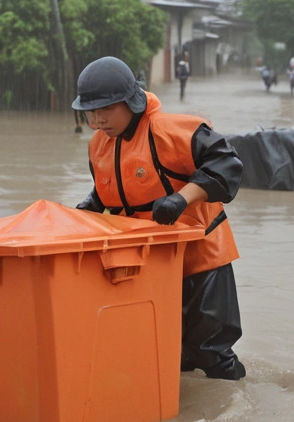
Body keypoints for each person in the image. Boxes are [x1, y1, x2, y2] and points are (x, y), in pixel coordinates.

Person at [71, 57, 245, 380]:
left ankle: (234, 410)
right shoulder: (98, 146)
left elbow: (228, 164)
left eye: (105, 109)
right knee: (164, 350)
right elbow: (109, 189)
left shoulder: (172, 131)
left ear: (129, 101)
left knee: (211, 353)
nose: (97, 120)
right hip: (151, 264)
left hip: (202, 259)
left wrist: (182, 198)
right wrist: (89, 206)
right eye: (90, 112)